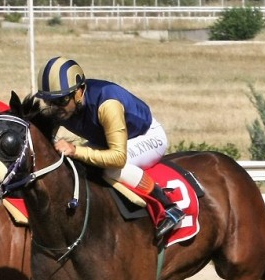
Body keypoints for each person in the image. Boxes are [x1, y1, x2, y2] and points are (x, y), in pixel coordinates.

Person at [34, 56, 185, 239]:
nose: (56, 107)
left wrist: (75, 150)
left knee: (109, 168)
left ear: (79, 92)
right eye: (50, 102)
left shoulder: (107, 104)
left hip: (147, 137)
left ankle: (169, 208)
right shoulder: (64, 105)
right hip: (107, 139)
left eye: (61, 101)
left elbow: (118, 157)